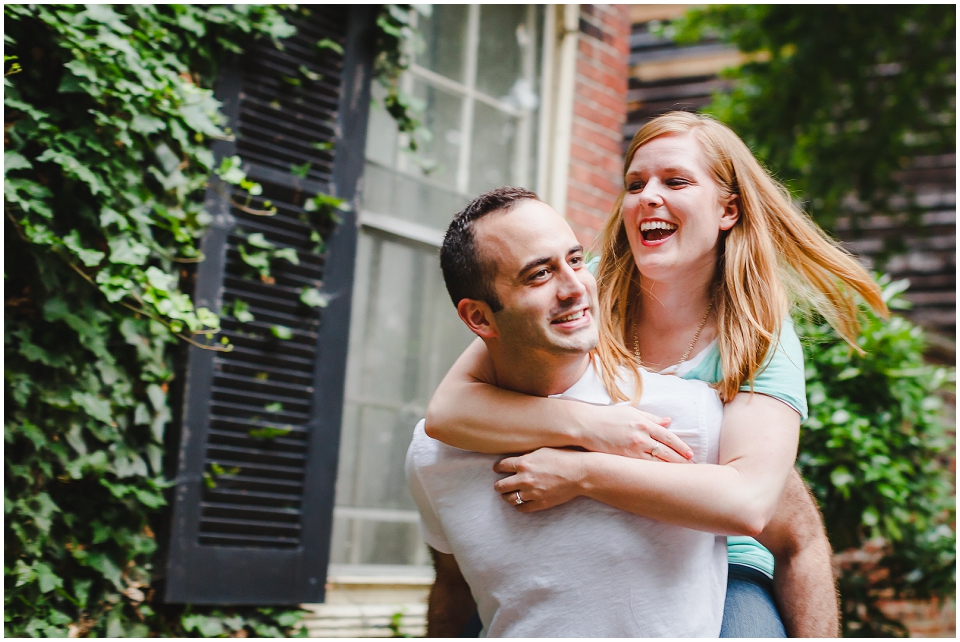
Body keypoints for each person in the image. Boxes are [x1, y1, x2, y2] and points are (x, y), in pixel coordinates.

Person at [425, 112, 889, 637]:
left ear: (727, 209)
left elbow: (750, 501)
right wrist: (591, 427)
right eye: (634, 183)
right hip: (588, 535)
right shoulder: (582, 289)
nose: (648, 196)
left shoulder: (758, 333)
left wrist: (582, 472)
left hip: (719, 554)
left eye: (675, 181)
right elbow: (448, 412)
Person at [408, 187, 729, 636]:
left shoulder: (683, 413)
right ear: (479, 319)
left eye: (576, 261)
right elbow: (453, 591)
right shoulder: (431, 454)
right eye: (539, 274)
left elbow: (798, 538)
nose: (576, 286)